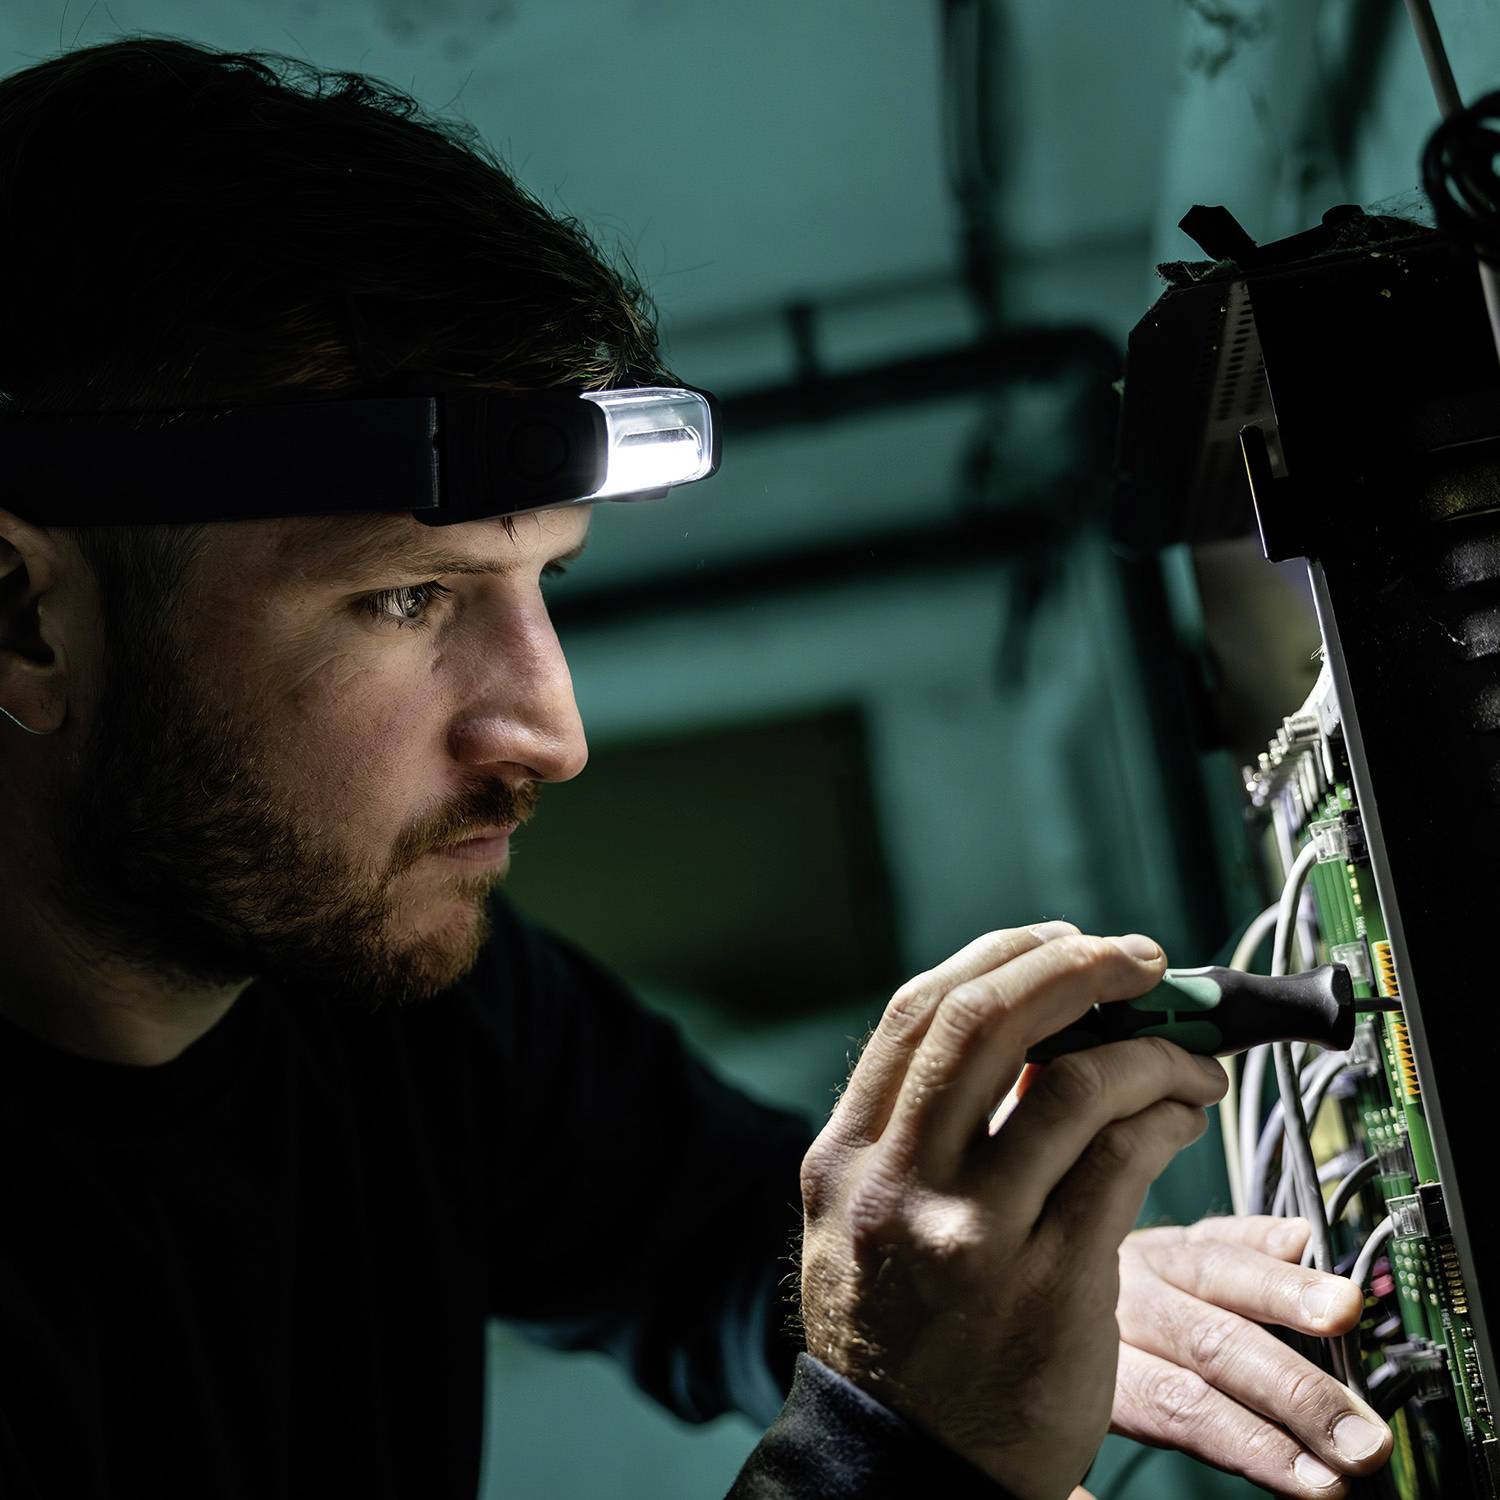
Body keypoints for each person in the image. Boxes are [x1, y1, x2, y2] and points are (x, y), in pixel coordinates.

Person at [0, 36, 1394, 1500]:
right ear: (26, 618)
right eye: (406, 597)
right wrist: (897, 1454)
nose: (551, 731)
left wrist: (936, 1307)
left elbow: (719, 1232)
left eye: (546, 580)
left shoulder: (366, 985)